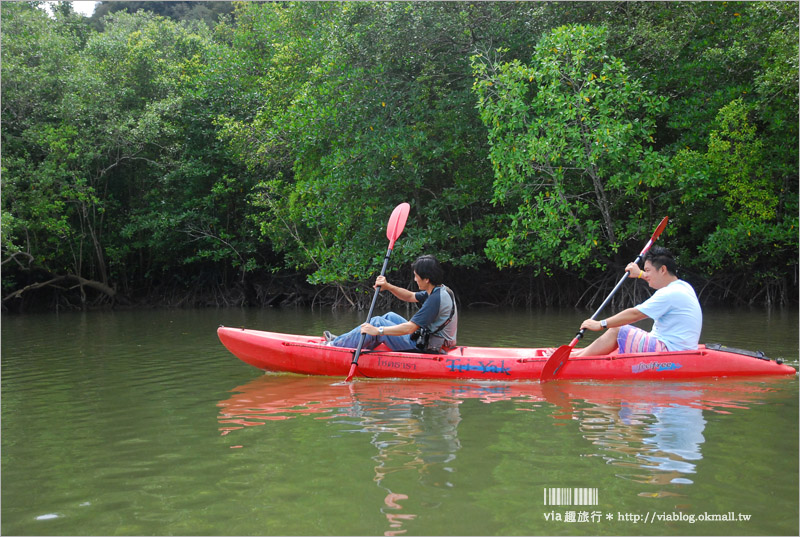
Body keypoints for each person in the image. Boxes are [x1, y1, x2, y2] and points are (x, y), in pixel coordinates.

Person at [572, 246, 702, 357]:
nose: (646, 275)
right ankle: (579, 354)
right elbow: (655, 279)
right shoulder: (683, 286)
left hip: (670, 350)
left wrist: (601, 324)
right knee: (618, 330)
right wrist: (640, 273)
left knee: (617, 329)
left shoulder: (668, 294)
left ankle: (576, 361)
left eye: (648, 270)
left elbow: (635, 314)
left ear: (662, 270)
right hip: (676, 347)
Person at [323, 255, 458, 353]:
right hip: (427, 338)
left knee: (377, 323)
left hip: (429, 347)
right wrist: (388, 286)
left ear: (427, 279)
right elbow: (410, 296)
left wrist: (378, 330)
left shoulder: (435, 299)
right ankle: (347, 341)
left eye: (416, 276)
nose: (415, 279)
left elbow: (410, 328)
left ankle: (335, 346)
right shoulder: (440, 290)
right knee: (389, 316)